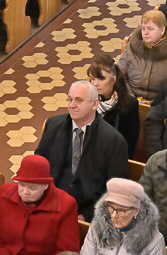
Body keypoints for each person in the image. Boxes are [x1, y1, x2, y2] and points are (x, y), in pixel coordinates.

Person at [35, 80, 129, 221]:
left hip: (84, 211)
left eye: (78, 100)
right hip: (48, 202)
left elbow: (115, 191)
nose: (72, 105)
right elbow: (37, 165)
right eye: (70, 99)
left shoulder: (114, 141)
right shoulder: (53, 125)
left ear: (94, 104)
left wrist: (86, 216)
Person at [79, 178, 166, 255]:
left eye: (121, 210)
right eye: (111, 208)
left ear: (136, 210)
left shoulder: (153, 240)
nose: (114, 215)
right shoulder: (98, 226)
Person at [117, 9, 167, 101]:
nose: (145, 33)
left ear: (162, 30)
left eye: (150, 29)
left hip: (160, 104)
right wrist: (131, 99)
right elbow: (119, 76)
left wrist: (155, 104)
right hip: (130, 100)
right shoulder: (131, 47)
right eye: (143, 28)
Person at [87, 55, 140, 156]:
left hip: (114, 159)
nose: (95, 84)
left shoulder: (129, 104)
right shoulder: (86, 99)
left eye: (101, 79)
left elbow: (130, 145)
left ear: (113, 80)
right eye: (93, 79)